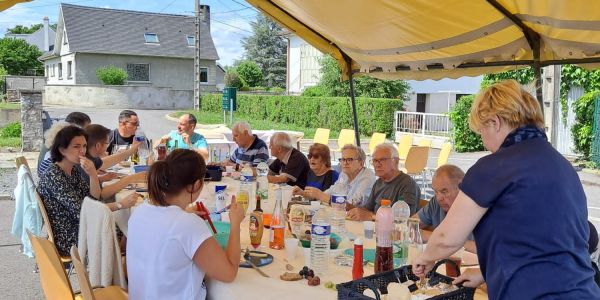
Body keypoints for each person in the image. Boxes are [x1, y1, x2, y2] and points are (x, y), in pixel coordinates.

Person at [412, 80, 600, 299]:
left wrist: (425, 259)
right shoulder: (562, 165)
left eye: (481, 130)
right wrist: (486, 273)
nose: (483, 141)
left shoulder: (494, 167)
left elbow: (446, 238)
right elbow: (542, 241)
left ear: (495, 122)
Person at [127, 149, 245, 299]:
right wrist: (235, 224)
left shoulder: (139, 212)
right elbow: (229, 273)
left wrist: (185, 213)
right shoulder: (188, 225)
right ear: (197, 185)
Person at [36, 126, 138, 256]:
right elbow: (83, 210)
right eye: (76, 146)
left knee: (121, 228)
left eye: (84, 146)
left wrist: (92, 175)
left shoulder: (72, 169)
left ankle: (119, 267)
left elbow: (94, 199)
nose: (82, 151)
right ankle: (115, 270)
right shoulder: (54, 175)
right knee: (119, 229)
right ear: (62, 150)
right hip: (68, 237)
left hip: (79, 226)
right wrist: (120, 205)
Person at [347, 143, 420, 221]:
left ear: (396, 161)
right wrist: (351, 208)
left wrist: (371, 216)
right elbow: (367, 209)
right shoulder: (379, 182)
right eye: (375, 160)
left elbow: (405, 221)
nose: (377, 165)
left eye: (382, 160)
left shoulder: (408, 185)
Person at [414, 164, 475, 253]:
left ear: (462, 188)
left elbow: (485, 249)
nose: (439, 198)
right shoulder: (435, 203)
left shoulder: (478, 207)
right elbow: (409, 226)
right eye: (435, 192)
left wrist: (437, 238)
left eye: (444, 191)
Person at [297, 144, 375, 207]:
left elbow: (352, 204)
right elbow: (332, 191)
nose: (345, 163)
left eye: (350, 159)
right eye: (343, 159)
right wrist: (308, 194)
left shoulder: (367, 177)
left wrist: (320, 195)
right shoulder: (344, 174)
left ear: (361, 163)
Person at [84, 124, 147, 199]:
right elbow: (100, 195)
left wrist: (131, 150)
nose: (107, 147)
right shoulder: (84, 165)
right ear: (98, 146)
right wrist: (130, 179)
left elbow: (105, 162)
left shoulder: (88, 158)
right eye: (107, 143)